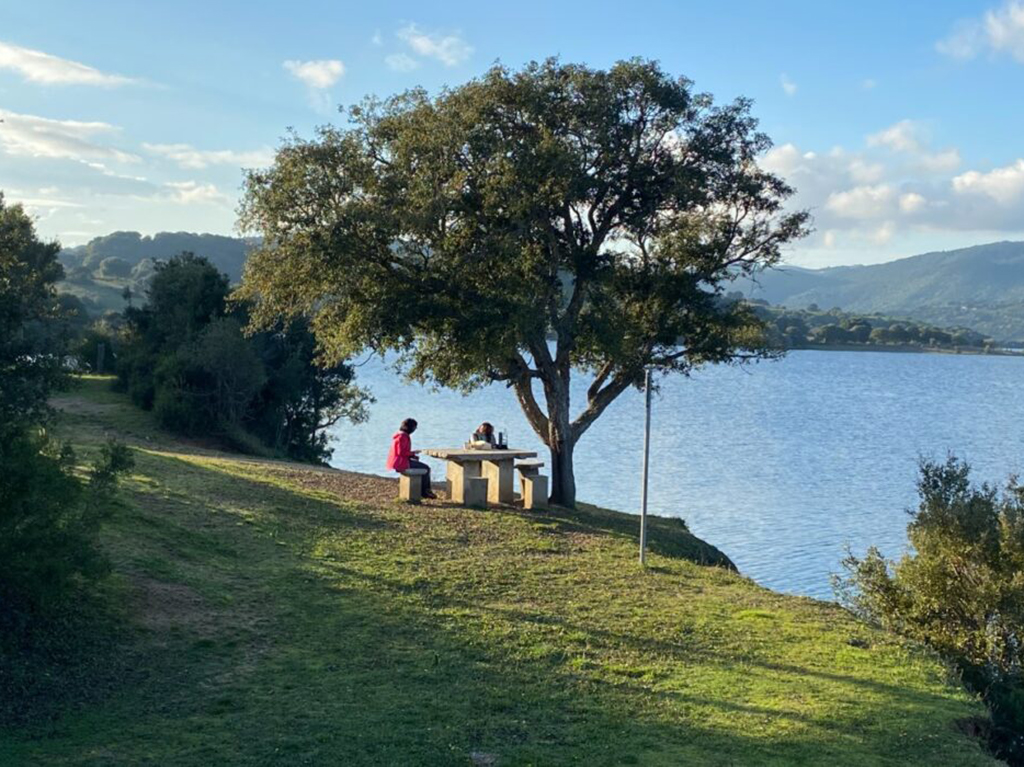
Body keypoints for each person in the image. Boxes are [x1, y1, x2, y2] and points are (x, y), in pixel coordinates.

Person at [386, 418, 435, 499]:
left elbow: (402, 452)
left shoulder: (399, 435)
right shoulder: (403, 437)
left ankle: (424, 490)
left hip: (398, 461)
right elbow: (401, 452)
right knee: (426, 468)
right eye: (415, 428)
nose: (415, 430)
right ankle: (425, 491)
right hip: (401, 463)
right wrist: (413, 453)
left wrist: (412, 456)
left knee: (422, 466)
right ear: (410, 428)